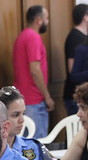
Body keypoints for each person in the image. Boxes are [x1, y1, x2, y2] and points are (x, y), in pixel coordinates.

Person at [13, 5, 54, 139]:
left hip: (24, 99)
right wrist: (47, 96)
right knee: (37, 144)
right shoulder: (33, 37)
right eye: (46, 18)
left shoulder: (22, 36)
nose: (47, 22)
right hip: (34, 100)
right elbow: (35, 70)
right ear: (39, 20)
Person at [63, 4, 88, 115]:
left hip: (84, 93)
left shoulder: (85, 37)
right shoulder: (75, 37)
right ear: (85, 17)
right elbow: (72, 69)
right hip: (75, 94)